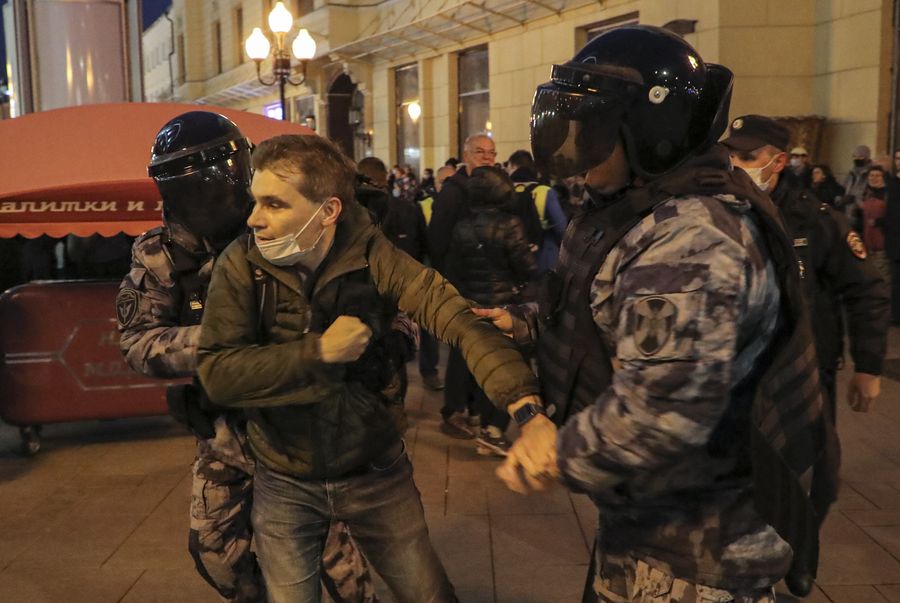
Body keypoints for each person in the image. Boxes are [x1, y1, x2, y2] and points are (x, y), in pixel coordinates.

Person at [474, 26, 839, 601]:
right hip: (650, 524)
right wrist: (523, 322)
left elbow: (664, 409)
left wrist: (553, 452)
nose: (579, 156)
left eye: (594, 136)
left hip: (696, 555)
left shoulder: (690, 238)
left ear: (652, 133)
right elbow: (607, 312)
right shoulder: (636, 211)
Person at [195, 134, 543, 603]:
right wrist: (317, 352)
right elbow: (217, 372)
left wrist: (526, 410)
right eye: (255, 202)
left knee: (427, 593)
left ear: (329, 210)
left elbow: (457, 318)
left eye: (274, 204)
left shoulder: (375, 255)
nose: (255, 218)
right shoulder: (241, 264)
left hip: (374, 471)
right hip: (283, 475)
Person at [117, 112, 377, 603]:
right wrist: (231, 341)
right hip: (226, 429)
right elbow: (138, 342)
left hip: (302, 422)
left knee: (333, 556)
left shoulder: (289, 224)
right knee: (215, 550)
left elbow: (373, 295)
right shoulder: (161, 254)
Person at [724, 114, 889, 417]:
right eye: (731, 155)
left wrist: (868, 367)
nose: (735, 165)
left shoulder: (815, 220)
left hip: (803, 374)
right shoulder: (719, 215)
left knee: (806, 460)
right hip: (736, 375)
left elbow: (866, 290)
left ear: (778, 162)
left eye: (747, 157)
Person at [442, 166, 538, 451]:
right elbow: (527, 268)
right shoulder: (511, 225)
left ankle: (475, 417)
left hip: (472, 306)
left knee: (478, 362)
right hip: (504, 307)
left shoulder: (462, 227)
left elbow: (454, 269)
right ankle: (493, 428)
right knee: (510, 367)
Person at [428, 133, 498, 272]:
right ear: (466, 156)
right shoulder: (452, 191)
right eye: (479, 151)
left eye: (491, 153)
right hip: (460, 276)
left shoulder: (497, 189)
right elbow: (437, 239)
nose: (487, 157)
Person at [416, 165, 458, 391]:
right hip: (431, 273)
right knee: (429, 325)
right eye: (445, 183)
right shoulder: (423, 207)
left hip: (457, 272)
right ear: (437, 184)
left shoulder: (464, 204)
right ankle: (429, 370)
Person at [506, 149, 569, 273]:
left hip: (512, 260)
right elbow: (561, 228)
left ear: (513, 166)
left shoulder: (505, 191)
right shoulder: (544, 192)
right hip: (542, 257)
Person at [860, 165, 891, 284]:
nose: (874, 178)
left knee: (882, 278)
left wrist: (878, 221)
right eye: (871, 175)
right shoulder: (867, 194)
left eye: (878, 175)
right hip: (868, 243)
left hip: (882, 244)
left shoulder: (888, 194)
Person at [843, 144, 873, 229]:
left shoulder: (871, 173)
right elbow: (844, 188)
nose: (857, 159)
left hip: (862, 214)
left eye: (860, 156)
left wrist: (859, 203)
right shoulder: (851, 173)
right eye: (855, 156)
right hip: (847, 212)